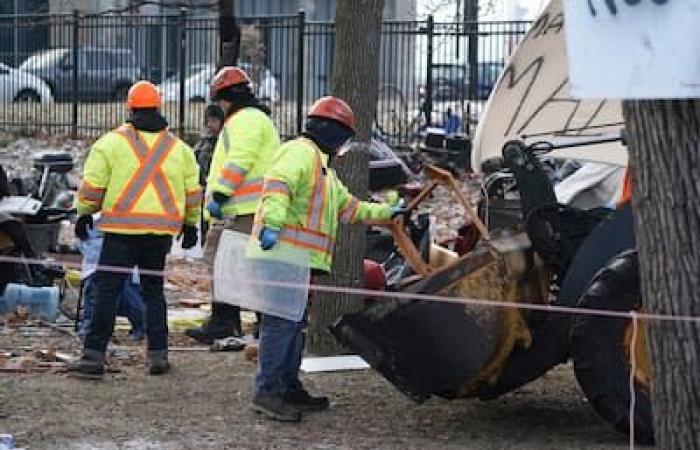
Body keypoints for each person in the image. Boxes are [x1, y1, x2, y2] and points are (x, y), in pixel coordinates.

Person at [250, 96, 404, 422]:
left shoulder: (323, 170)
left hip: (295, 258)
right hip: (281, 254)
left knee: (293, 325)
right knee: (281, 324)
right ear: (334, 133)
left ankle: (287, 386)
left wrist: (386, 213)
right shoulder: (300, 154)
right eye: (345, 138)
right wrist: (272, 225)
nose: (345, 146)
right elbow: (279, 185)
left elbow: (351, 208)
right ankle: (268, 391)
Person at [68, 81, 201, 379]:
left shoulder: (110, 144)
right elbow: (193, 192)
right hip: (160, 236)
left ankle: (92, 359)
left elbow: (92, 186)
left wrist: (85, 213)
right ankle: (158, 355)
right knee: (154, 292)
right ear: (159, 107)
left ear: (129, 108)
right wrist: (191, 223)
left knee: (107, 291)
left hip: (121, 232)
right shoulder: (179, 149)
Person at [184, 66, 280, 344]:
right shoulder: (254, 118)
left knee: (223, 263)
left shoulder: (244, 120)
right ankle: (249, 324)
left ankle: (225, 322)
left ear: (226, 98)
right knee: (249, 267)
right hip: (251, 208)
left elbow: (240, 159)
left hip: (243, 209)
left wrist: (221, 194)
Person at [77, 214, 146, 341]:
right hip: (120, 233)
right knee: (127, 292)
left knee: (100, 292)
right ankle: (140, 326)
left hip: (108, 233)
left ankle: (92, 326)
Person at [192, 104, 225, 245]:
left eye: (214, 121)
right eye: (208, 121)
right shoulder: (204, 144)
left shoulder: (225, 142)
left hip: (222, 194)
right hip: (207, 195)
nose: (210, 125)